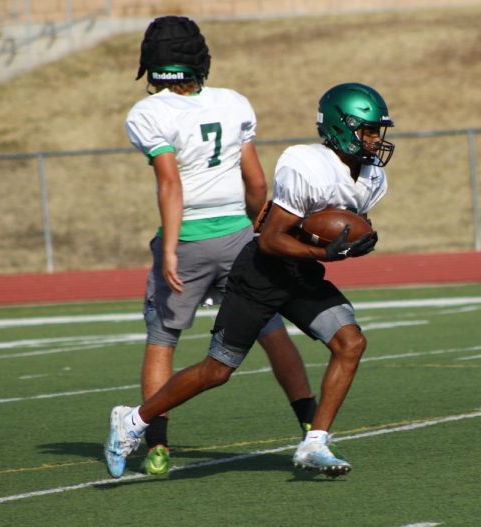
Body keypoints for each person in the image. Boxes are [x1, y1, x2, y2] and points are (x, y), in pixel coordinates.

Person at [105, 81, 395, 478]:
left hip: (301, 273)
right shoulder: (305, 164)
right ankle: (133, 420)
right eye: (368, 130)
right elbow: (272, 239)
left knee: (351, 342)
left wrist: (352, 240)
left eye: (377, 131)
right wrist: (325, 252)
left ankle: (315, 442)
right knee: (217, 370)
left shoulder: (373, 177)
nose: (375, 140)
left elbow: (335, 226)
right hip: (261, 273)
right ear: (341, 127)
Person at [116, 16, 318, 478]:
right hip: (239, 237)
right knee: (271, 329)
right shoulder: (232, 102)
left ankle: (157, 446)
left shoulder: (147, 113)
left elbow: (170, 183)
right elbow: (256, 180)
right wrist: (258, 230)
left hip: (189, 237)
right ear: (199, 59)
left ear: (150, 62)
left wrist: (169, 246)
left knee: (163, 339)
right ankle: (311, 425)